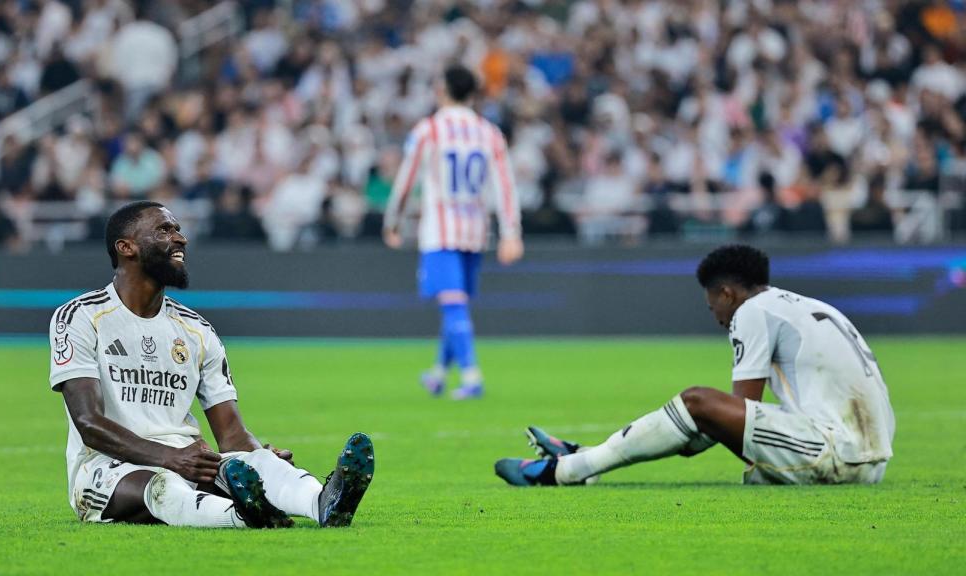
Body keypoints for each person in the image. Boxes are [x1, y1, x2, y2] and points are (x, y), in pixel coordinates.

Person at [49, 201, 374, 528]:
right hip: (106, 470)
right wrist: (170, 459)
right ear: (126, 247)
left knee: (259, 462)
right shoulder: (81, 317)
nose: (180, 239)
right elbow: (88, 423)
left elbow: (231, 434)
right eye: (164, 229)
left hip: (190, 461)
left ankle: (323, 502)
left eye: (177, 229)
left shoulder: (197, 330)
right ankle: (244, 516)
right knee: (165, 487)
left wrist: (259, 455)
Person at [495, 244, 895, 486]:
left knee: (698, 402)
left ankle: (564, 472)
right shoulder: (804, 305)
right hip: (870, 460)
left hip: (838, 455)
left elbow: (742, 414)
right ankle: (587, 459)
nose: (718, 318)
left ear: (727, 293)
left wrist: (694, 426)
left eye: (713, 307)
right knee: (698, 414)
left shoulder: (752, 311)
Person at [383, 64, 523, 400]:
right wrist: (511, 232)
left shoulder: (428, 130)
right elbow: (505, 187)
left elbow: (406, 180)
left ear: (442, 90)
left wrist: (393, 221)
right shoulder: (489, 132)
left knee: (453, 304)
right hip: (475, 230)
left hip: (440, 231)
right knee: (455, 301)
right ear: (473, 93)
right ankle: (438, 373)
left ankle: (472, 376)